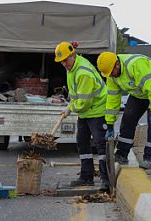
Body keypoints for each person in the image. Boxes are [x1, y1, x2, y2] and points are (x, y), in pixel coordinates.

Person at [97, 52, 151, 169]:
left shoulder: (136, 65)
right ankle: (122, 154)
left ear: (117, 64)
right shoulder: (112, 76)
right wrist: (110, 124)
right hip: (139, 93)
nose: (110, 75)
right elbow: (112, 100)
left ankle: (149, 157)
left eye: (111, 72)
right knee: (128, 119)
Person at [54, 41, 109, 189]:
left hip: (97, 110)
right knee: (82, 142)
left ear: (73, 55)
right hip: (86, 113)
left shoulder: (83, 72)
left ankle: (106, 179)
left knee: (100, 144)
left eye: (65, 60)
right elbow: (75, 95)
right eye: (61, 62)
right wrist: (69, 106)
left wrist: (71, 108)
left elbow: (84, 103)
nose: (64, 64)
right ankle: (86, 177)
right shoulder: (71, 69)